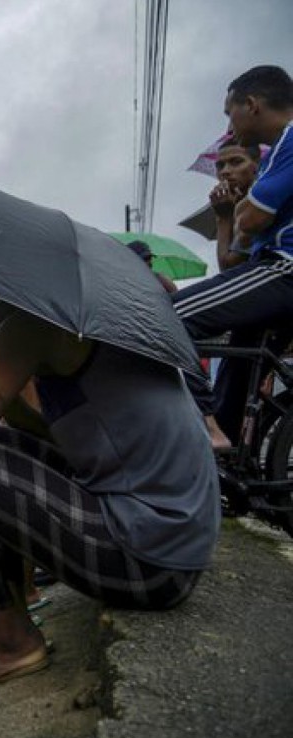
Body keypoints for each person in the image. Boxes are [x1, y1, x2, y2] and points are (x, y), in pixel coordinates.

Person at [0, 291, 218, 701]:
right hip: (175, 550)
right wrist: (7, 397)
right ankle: (12, 612)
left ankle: (8, 643)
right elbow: (81, 445)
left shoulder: (33, 322)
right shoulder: (107, 321)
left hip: (148, 561)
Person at [173, 65, 293, 450]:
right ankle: (230, 454)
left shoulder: (289, 141)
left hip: (285, 267)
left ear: (252, 105)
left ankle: (209, 433)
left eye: (230, 112)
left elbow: (253, 218)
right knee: (237, 375)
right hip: (271, 270)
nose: (228, 122)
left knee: (167, 317)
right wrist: (230, 218)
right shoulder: (278, 151)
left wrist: (244, 214)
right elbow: (233, 264)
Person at [210, 138, 262, 271]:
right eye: (220, 166)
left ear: (257, 165)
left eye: (236, 162)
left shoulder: (260, 201)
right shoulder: (237, 204)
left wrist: (223, 218)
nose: (225, 171)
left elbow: (228, 266)